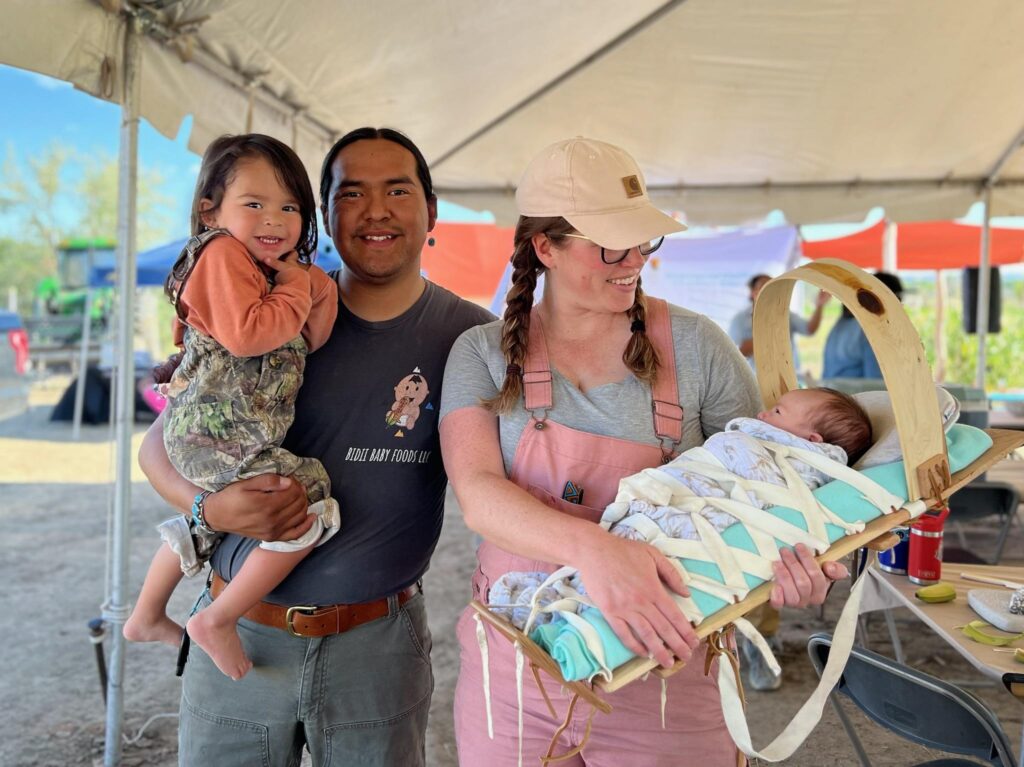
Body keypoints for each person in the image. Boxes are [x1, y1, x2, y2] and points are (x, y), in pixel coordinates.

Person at [439, 137, 849, 767]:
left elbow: (771, 476)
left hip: (670, 660)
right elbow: (480, 496)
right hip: (519, 655)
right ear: (544, 246)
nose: (633, 260)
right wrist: (601, 553)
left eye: (643, 241)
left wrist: (796, 561)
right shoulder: (481, 354)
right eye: (610, 245)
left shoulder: (697, 346)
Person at [137, 127, 493, 766]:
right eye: (351, 193)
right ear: (326, 213)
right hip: (241, 629)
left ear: (432, 211)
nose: (376, 210)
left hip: (378, 647)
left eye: (398, 190)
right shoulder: (269, 314)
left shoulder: (471, 339)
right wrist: (207, 511)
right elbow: (159, 446)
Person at [123, 134, 342, 681]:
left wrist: (308, 286)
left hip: (228, 433)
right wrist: (296, 290)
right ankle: (218, 618)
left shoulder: (273, 272)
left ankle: (147, 615)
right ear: (210, 209)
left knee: (213, 519)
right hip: (215, 432)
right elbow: (249, 337)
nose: (275, 219)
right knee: (305, 498)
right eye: (255, 204)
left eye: (289, 207)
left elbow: (311, 338)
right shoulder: (220, 253)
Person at [729, 272, 829, 372]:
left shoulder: (786, 314)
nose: (771, 290)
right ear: (753, 293)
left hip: (791, 378)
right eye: (765, 286)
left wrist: (819, 305)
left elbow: (809, 329)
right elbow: (738, 354)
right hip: (757, 382)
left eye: (773, 285)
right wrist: (766, 325)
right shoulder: (739, 320)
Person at [822, 271, 904, 379]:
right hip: (856, 395)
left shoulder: (839, 326)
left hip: (833, 392)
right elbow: (876, 383)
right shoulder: (870, 331)